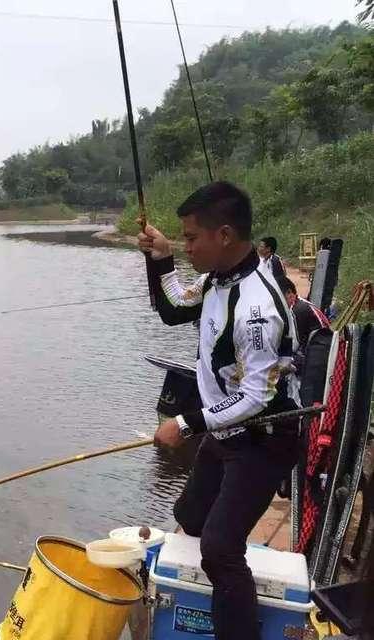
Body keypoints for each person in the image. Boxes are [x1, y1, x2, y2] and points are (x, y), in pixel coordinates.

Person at [138, 182, 301, 640]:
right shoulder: (217, 280)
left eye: (191, 238)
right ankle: (189, 613)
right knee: (191, 518)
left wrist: (186, 423)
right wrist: (162, 257)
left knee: (220, 548)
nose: (187, 245)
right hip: (227, 431)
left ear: (224, 235)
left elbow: (257, 398)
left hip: (263, 439)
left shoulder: (256, 310)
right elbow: (173, 307)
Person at [280, 277, 330, 375]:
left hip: (318, 358)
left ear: (290, 294)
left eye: (279, 298)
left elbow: (292, 346)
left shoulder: (297, 310)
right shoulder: (301, 303)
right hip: (321, 351)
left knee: (278, 361)